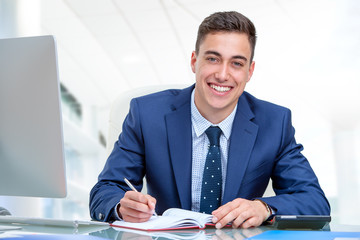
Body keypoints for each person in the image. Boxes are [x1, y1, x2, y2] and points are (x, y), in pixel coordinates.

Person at [90, 11, 330, 229]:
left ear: (250, 71)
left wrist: (263, 208)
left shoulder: (274, 123)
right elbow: (105, 191)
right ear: (194, 61)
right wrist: (121, 207)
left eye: (236, 63)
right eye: (213, 59)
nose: (223, 75)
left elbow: (314, 201)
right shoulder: (146, 114)